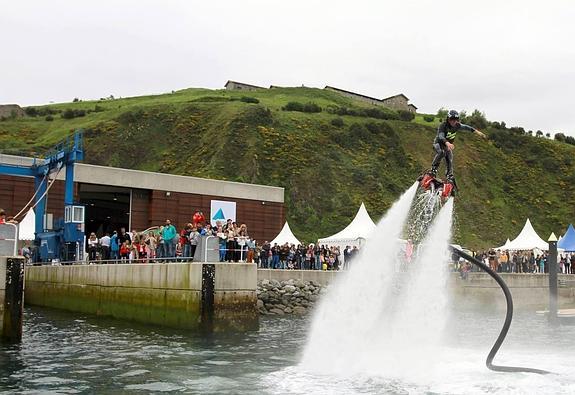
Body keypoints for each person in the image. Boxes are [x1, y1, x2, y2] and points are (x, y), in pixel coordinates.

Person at [429, 110, 486, 180]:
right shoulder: (443, 125)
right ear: (448, 119)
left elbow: (467, 127)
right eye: (452, 119)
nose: (454, 121)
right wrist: (447, 143)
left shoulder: (457, 125)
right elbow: (441, 136)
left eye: (456, 120)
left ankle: (449, 175)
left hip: (447, 146)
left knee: (449, 157)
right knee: (442, 152)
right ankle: (433, 169)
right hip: (438, 144)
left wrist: (477, 132)